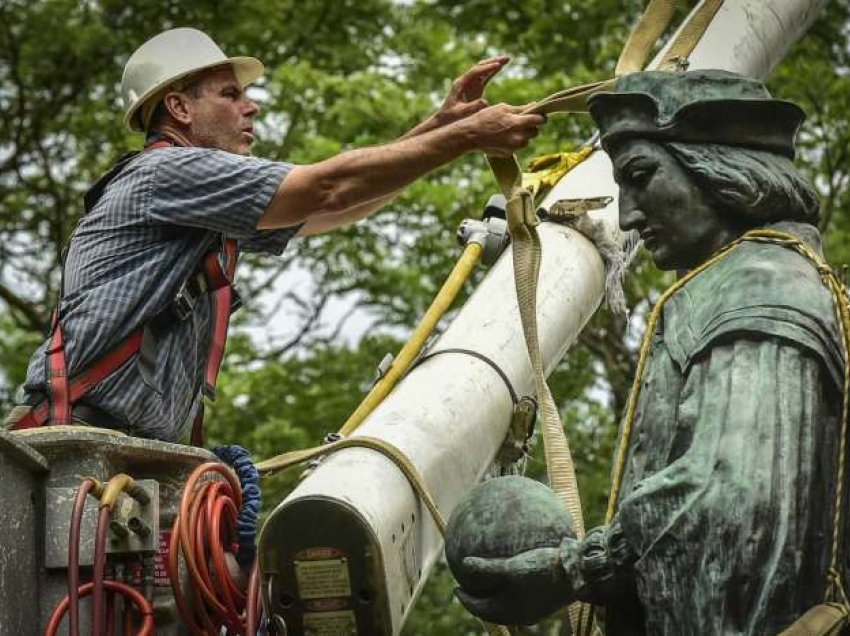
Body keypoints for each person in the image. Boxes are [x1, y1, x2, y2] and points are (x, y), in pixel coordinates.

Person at [448, 69, 848, 634]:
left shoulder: (759, 287)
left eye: (641, 177)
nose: (630, 215)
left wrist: (572, 569)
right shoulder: (742, 282)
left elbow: (730, 497)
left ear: (724, 171)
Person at [3, 28, 545, 443]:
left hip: (125, 453)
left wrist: (443, 129)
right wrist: (465, 137)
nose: (251, 106)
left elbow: (338, 206)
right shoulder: (163, 176)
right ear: (179, 107)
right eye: (230, 94)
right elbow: (328, 189)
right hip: (73, 446)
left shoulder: (201, 205)